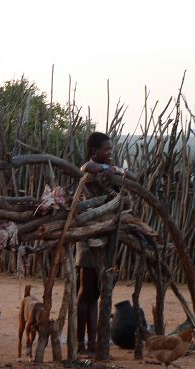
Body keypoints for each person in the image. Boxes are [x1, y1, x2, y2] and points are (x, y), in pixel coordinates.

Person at [76, 132, 137, 357]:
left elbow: (134, 176)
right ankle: (80, 343)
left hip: (104, 238)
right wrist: (106, 169)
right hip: (89, 237)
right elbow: (85, 167)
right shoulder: (90, 171)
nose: (110, 152)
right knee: (85, 293)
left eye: (111, 149)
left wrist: (116, 170)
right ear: (94, 151)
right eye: (106, 149)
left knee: (94, 295)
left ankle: (92, 343)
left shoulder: (109, 171)